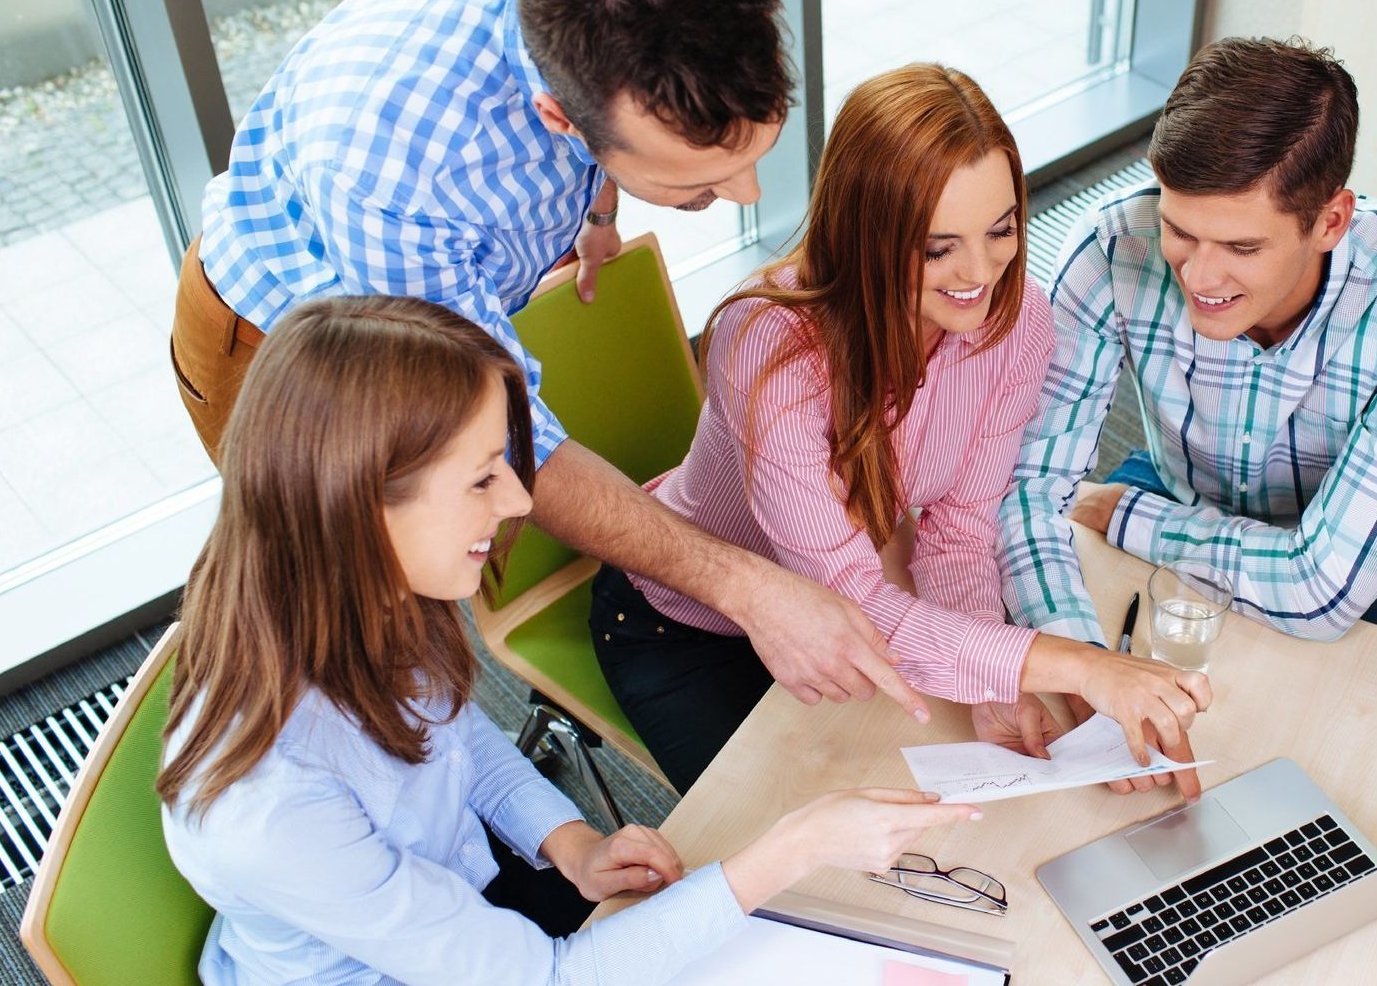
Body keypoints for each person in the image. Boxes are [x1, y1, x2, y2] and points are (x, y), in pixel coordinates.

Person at [168, 0, 928, 727]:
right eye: (697, 182)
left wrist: (597, 213)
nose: (747, 194)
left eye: (756, 151)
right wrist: (747, 590)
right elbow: (519, 442)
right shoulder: (397, 182)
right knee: (370, 635)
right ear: (559, 117)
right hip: (284, 337)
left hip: (443, 263)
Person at [158, 297, 978, 985]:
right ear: (359, 505)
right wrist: (795, 848)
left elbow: (455, 743)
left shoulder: (354, 596)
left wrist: (570, 842)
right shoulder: (270, 805)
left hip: (467, 900)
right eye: (482, 477)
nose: (519, 502)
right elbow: (553, 979)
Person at [589, 65, 1212, 794]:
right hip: (687, 626)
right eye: (938, 248)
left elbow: (960, 532)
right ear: (866, 234)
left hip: (844, 604)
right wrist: (1083, 666)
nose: (981, 272)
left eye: (1001, 229)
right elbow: (849, 603)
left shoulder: (1016, 324)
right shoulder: (767, 342)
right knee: (784, 839)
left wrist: (992, 684)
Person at [999, 36, 1377, 664]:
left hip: (1335, 537)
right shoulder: (1110, 246)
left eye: (1242, 248)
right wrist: (1078, 664)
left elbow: (1319, 591)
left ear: (1331, 221)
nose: (1199, 278)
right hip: (1176, 491)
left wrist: (1125, 512)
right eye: (1180, 230)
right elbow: (1029, 490)